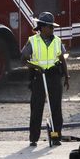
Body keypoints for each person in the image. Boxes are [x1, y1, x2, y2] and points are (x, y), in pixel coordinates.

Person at [21, 11, 69, 147]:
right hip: (39, 77)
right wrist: (35, 66)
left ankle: (55, 136)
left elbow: (62, 59)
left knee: (55, 108)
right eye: (50, 27)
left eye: (53, 27)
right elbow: (23, 59)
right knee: (37, 108)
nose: (53, 29)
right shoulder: (32, 41)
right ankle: (34, 138)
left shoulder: (57, 41)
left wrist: (67, 76)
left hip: (54, 76)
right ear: (42, 27)